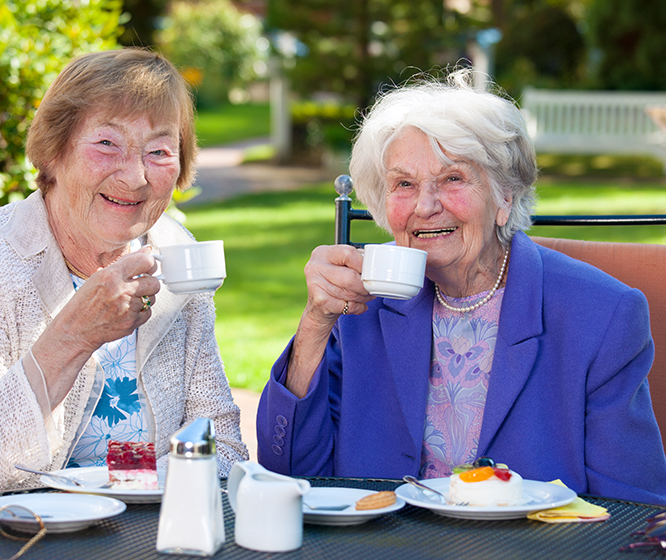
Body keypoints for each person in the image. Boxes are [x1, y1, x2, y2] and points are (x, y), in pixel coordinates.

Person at [256, 69, 666, 505]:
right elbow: (291, 475)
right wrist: (316, 323)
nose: (426, 206)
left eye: (452, 178)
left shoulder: (600, 315)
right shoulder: (360, 307)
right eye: (404, 184)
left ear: (504, 196)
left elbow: (633, 510)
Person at [0, 48, 248, 514]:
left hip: (120, 537)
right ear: (56, 150)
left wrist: (112, 486)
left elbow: (224, 452)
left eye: (159, 152)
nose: (134, 177)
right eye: (107, 144)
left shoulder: (176, 251)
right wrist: (71, 338)